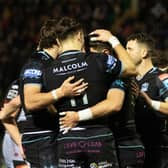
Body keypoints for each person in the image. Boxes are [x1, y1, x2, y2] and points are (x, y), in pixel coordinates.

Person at [43, 16, 136, 167]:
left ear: (58, 42)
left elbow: (49, 107)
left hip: (68, 139)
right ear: (80, 36)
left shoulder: (47, 72)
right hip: (98, 136)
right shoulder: (99, 60)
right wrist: (113, 39)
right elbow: (131, 69)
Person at [60, 40, 145, 168]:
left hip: (126, 147)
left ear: (105, 54)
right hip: (118, 145)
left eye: (91, 56)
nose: (86, 62)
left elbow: (114, 105)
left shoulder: (116, 76)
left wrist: (77, 116)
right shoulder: (103, 78)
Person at [17, 19, 88, 167]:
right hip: (40, 137)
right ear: (58, 41)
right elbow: (30, 101)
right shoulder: (36, 64)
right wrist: (61, 92)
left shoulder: (50, 63)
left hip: (50, 134)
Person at [126, 32, 168, 168]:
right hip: (136, 146)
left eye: (129, 49)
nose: (125, 53)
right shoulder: (129, 79)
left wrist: (149, 102)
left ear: (144, 53)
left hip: (159, 148)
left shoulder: (161, 77)